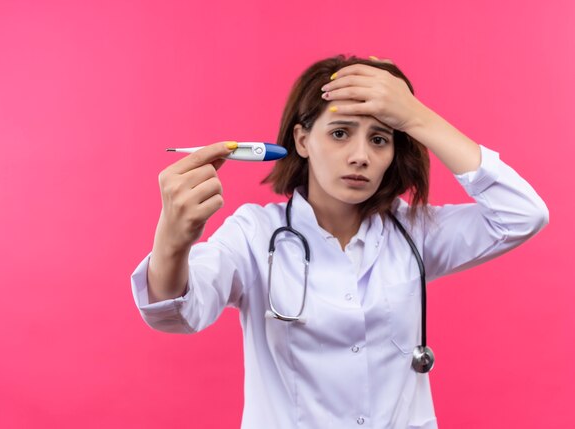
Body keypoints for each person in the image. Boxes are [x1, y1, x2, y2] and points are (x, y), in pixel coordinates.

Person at [130, 54, 549, 428]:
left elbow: (522, 215)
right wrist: (172, 239)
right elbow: (176, 313)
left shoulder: (414, 232)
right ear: (301, 140)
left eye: (380, 138)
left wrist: (416, 116)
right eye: (340, 133)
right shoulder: (255, 236)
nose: (360, 156)